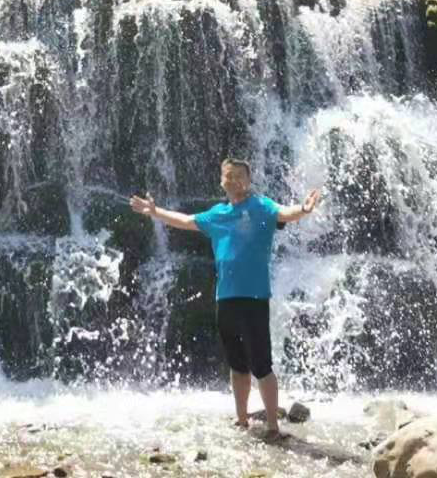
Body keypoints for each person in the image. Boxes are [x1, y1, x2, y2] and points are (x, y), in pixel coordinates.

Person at [130, 160, 322, 442]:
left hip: (254, 298)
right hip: (226, 299)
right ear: (222, 180)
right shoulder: (217, 214)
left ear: (248, 179)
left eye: (240, 176)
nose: (234, 180)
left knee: (262, 365)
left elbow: (286, 213)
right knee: (237, 364)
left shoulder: (262, 206)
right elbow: (185, 221)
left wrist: (304, 210)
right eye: (229, 176)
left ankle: (272, 425)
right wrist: (154, 211)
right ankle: (242, 419)